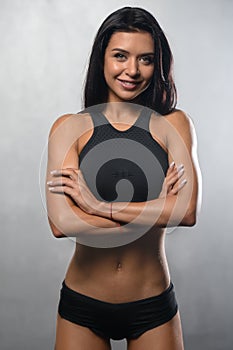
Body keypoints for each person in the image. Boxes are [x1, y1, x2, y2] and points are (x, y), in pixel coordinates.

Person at [46, 6, 201, 350]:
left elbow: (186, 213)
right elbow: (61, 223)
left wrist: (96, 205)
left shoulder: (174, 125)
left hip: (152, 303)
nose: (132, 70)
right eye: (120, 56)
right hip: (82, 304)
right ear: (102, 58)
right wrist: (158, 208)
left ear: (157, 64)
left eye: (145, 59)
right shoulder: (69, 128)